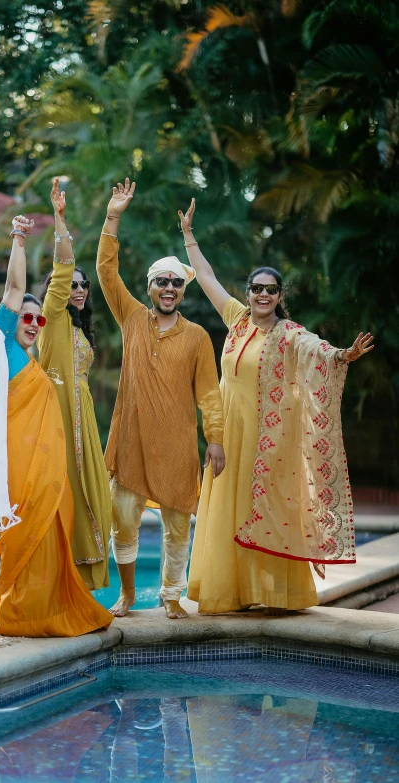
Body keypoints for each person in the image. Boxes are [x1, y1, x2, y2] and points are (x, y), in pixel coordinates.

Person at [179, 198, 374, 615]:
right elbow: (208, 278)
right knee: (227, 512)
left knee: (262, 509)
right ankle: (230, 592)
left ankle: (271, 595)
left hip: (265, 443)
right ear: (248, 293)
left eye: (271, 290)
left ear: (279, 295)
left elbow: (316, 350)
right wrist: (189, 237)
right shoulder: (235, 320)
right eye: (257, 289)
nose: (263, 295)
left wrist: (343, 355)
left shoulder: (288, 334)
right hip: (226, 435)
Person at [96, 178, 225, 620]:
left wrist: (216, 439)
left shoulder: (197, 337)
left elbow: (209, 393)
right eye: (161, 282)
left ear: (183, 291)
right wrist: (113, 216)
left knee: (177, 528)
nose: (169, 288)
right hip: (131, 443)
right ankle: (129, 595)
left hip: (175, 447)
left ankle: (171, 595)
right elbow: (105, 274)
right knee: (123, 521)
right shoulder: (131, 319)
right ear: (150, 288)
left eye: (176, 282)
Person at [0, 213, 113, 637]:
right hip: (14, 469)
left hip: (44, 466)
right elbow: (15, 290)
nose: (34, 324)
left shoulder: (35, 362)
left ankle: (48, 610)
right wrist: (18, 238)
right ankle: (17, 613)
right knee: (23, 534)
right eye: (28, 318)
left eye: (39, 320)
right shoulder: (0, 347)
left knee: (52, 532)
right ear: (12, 320)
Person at [37, 178, 112, 591]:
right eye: (73, 285)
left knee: (91, 498)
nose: (79, 289)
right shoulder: (52, 318)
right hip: (58, 421)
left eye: (84, 285)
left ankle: (79, 586)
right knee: (61, 496)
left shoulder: (81, 331)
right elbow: (62, 271)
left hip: (83, 421)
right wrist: (59, 220)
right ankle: (55, 583)